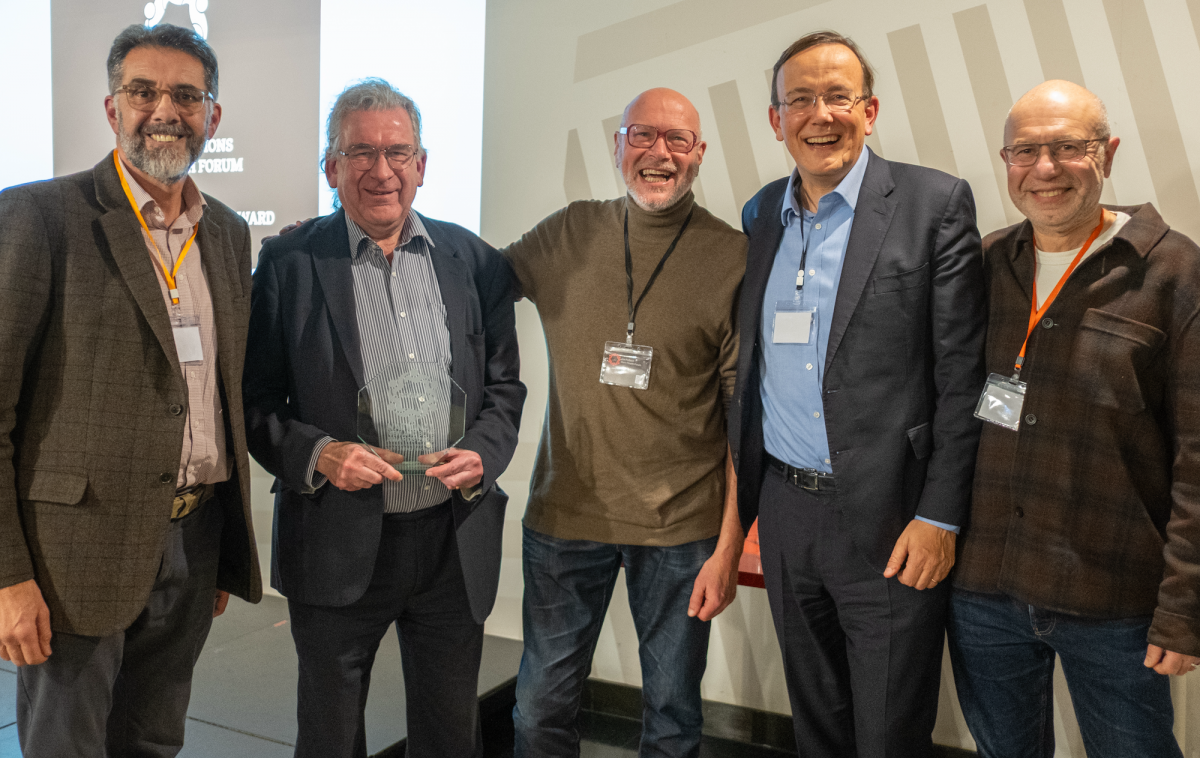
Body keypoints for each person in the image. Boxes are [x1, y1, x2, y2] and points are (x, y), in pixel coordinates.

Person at [242, 78, 525, 758]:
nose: (381, 169)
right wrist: (319, 454)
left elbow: (505, 388)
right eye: (360, 152)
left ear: (421, 165)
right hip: (336, 540)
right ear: (331, 167)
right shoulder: (289, 264)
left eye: (398, 151)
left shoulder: (474, 261)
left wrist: (484, 451)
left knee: (449, 734)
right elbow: (256, 405)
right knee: (331, 736)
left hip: (450, 541)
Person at [0, 23, 261, 757]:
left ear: (213, 115)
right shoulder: (40, 217)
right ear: (112, 109)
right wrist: (7, 579)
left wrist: (215, 549)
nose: (165, 110)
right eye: (143, 91)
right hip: (69, 558)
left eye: (186, 94)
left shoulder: (230, 235)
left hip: (192, 540)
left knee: (153, 743)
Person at [732, 31, 987, 756]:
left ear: (869, 109)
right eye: (800, 99)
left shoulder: (933, 204)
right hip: (784, 513)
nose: (821, 114)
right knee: (815, 720)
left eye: (838, 96)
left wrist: (940, 515)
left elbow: (961, 379)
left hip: (892, 516)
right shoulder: (759, 216)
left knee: (887, 730)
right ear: (776, 120)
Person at [947, 79, 1200, 758]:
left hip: (1113, 599)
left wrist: (1182, 611)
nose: (1046, 168)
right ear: (1006, 162)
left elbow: (1197, 463)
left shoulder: (1175, 273)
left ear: (1108, 153)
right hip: (985, 590)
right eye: (1025, 151)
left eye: (1068, 147)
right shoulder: (986, 263)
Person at [505, 87, 747, 758]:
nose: (659, 153)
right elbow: (472, 280)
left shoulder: (732, 257)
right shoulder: (570, 232)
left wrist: (729, 547)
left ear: (699, 155)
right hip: (564, 519)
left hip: (682, 532)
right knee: (539, 710)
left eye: (677, 141)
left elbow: (741, 423)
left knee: (672, 716)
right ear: (617, 147)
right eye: (642, 136)